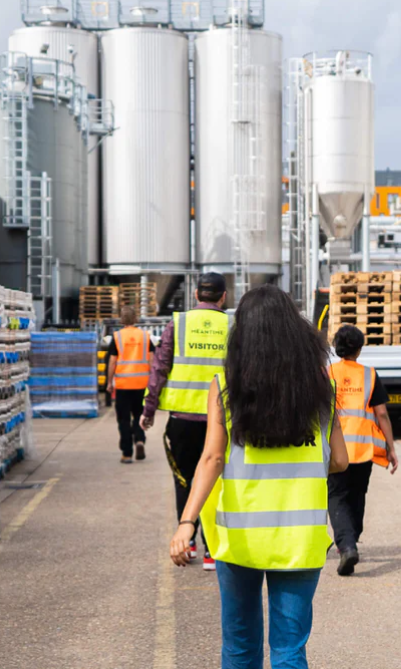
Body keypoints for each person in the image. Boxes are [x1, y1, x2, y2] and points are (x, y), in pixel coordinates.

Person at [169, 285, 348, 669]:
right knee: (288, 650)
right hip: (300, 540)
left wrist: (186, 523)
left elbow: (212, 458)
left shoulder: (226, 388)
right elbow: (341, 461)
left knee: (240, 645)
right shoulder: (322, 388)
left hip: (239, 539)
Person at [143, 272, 229, 571]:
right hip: (222, 422)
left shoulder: (176, 324)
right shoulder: (233, 326)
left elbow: (159, 369)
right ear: (223, 297)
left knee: (185, 480)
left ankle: (187, 540)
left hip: (182, 420)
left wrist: (148, 410)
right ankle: (212, 550)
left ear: (195, 295)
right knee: (217, 481)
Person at [327, 324, 398, 576]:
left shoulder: (327, 373)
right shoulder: (369, 374)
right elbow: (382, 414)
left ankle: (347, 545)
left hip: (335, 449)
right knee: (357, 495)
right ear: (359, 349)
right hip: (364, 448)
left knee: (337, 496)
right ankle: (352, 540)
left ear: (337, 348)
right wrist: (390, 447)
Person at [106, 306, 154, 463]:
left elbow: (112, 361)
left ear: (121, 320)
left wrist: (109, 382)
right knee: (140, 415)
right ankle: (140, 440)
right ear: (135, 319)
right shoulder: (145, 336)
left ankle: (127, 453)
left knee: (124, 419)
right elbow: (153, 360)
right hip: (142, 384)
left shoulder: (117, 336)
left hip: (123, 385)